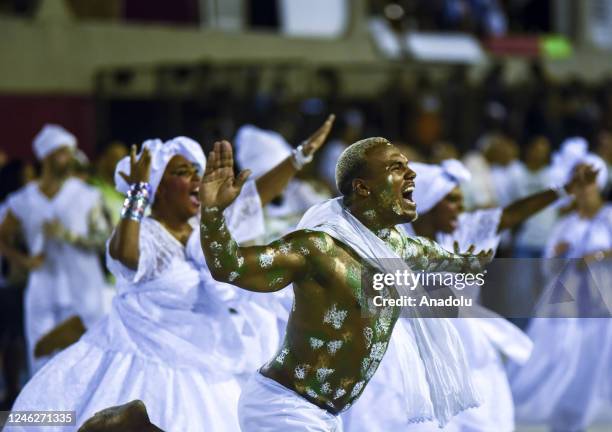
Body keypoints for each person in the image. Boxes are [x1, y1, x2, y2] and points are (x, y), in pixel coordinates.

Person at [8, 115, 336, 431]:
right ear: (158, 188)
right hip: (141, 367)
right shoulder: (146, 234)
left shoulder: (203, 229)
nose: (196, 179)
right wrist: (136, 193)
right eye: (183, 172)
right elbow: (124, 254)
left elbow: (254, 196)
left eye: (197, 170)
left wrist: (301, 155)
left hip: (206, 361)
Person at [199, 137, 493, 431]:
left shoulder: (396, 246)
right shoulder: (316, 248)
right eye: (396, 167)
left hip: (325, 415)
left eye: (408, 166)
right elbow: (231, 266)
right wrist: (212, 214)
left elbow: (434, 256)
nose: (412, 173)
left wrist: (469, 262)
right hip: (284, 409)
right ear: (363, 187)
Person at [508, 141, 612, 431]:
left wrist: (599, 255)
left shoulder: (609, 217)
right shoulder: (565, 223)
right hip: (567, 295)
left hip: (602, 296)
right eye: (576, 180)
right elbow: (548, 264)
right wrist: (559, 255)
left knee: (596, 350)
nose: (583, 188)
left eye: (587, 180)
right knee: (558, 349)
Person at [0, 124, 110, 373]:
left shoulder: (87, 195)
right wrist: (23, 261)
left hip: (84, 291)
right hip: (43, 290)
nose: (70, 158)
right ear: (47, 156)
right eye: (64, 153)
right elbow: (2, 236)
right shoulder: (24, 199)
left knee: (84, 364)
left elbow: (105, 238)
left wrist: (70, 236)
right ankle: (47, 414)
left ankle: (84, 413)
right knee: (42, 363)